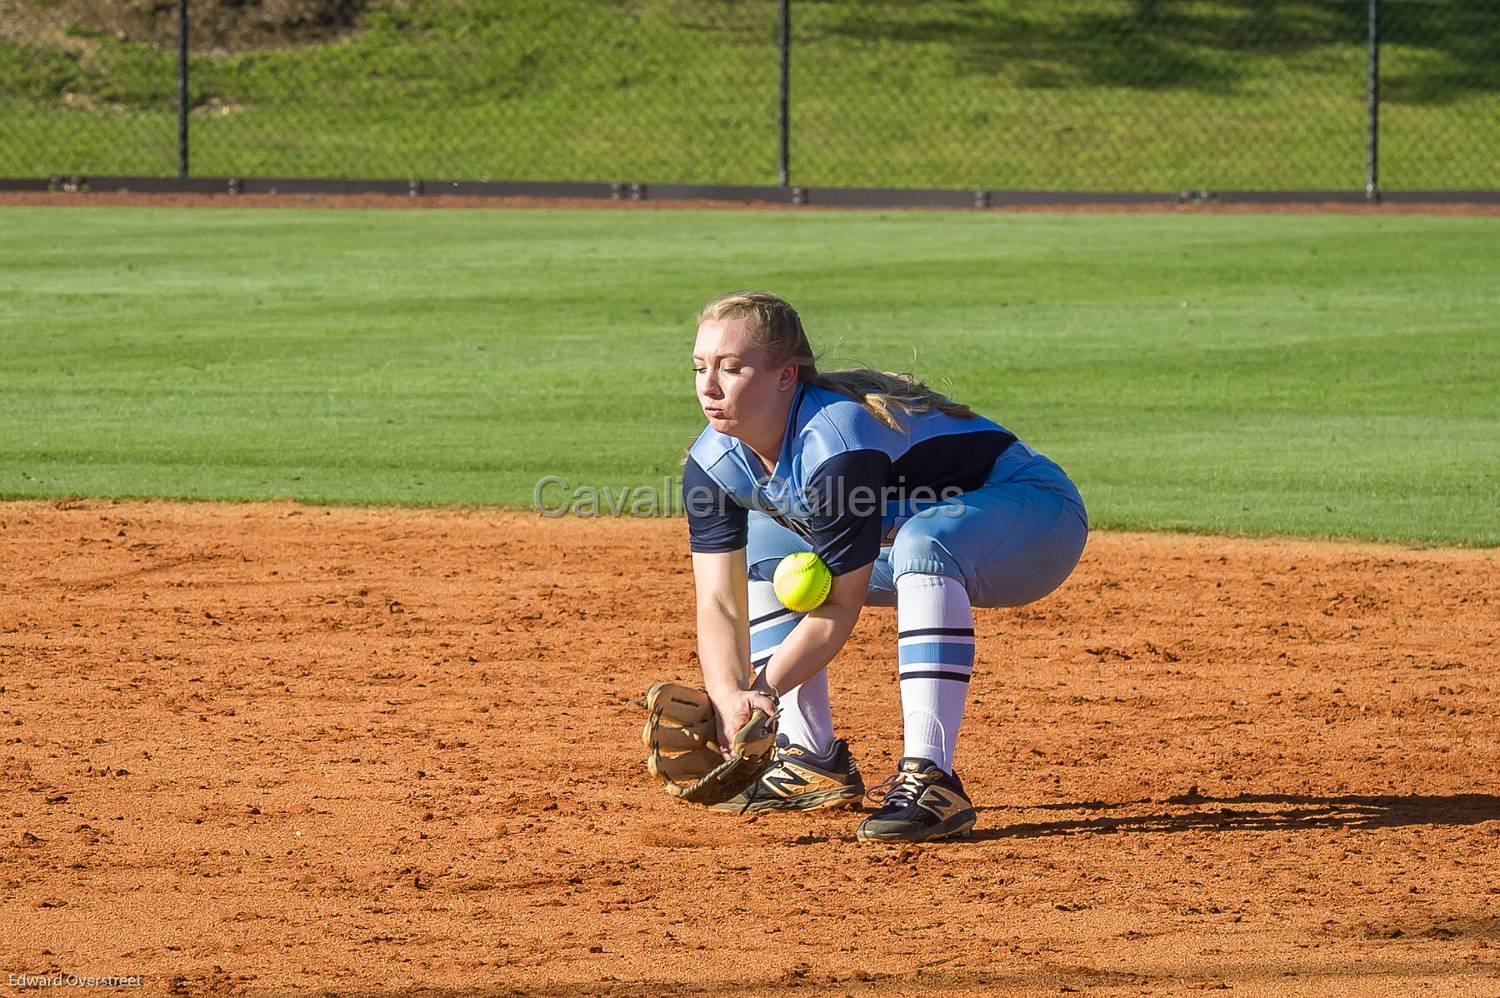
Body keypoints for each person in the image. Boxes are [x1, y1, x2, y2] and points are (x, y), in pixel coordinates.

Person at [683, 291, 1087, 842]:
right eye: (700, 367)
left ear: (786, 377)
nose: (709, 386)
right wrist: (729, 697)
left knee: (924, 541)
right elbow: (717, 600)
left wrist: (762, 693)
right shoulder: (714, 463)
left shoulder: (837, 442)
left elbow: (840, 607)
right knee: (768, 546)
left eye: (732, 369)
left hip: (1035, 519)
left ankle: (931, 777)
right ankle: (809, 758)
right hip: (915, 542)